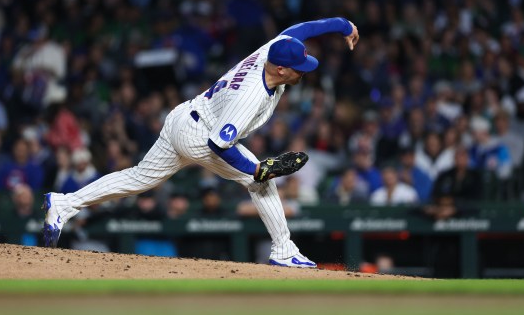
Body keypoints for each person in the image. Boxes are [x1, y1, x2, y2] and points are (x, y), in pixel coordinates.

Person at [42, 17, 360, 268]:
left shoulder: (273, 49)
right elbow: (218, 145)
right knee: (261, 181)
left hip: (185, 116)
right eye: (298, 67)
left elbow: (300, 30)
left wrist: (342, 25)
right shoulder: (248, 97)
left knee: (138, 177)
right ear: (280, 69)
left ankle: (63, 204)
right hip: (202, 135)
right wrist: (259, 169)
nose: (304, 70)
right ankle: (283, 249)